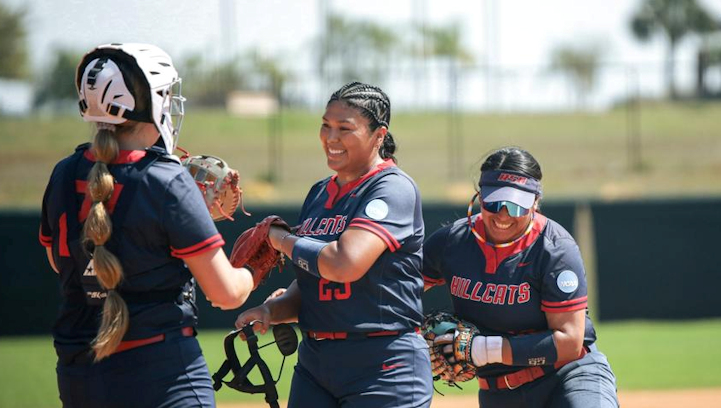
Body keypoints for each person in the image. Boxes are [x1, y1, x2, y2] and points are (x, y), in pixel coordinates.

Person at [39, 43, 255, 408]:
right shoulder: (166, 180)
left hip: (78, 377)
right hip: (161, 374)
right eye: (166, 95)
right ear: (152, 103)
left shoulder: (63, 173)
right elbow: (226, 294)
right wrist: (252, 269)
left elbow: (61, 264)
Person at [235, 82, 433, 408]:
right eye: (326, 125)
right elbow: (313, 282)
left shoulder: (392, 188)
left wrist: (280, 239)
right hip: (316, 364)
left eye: (345, 128)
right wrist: (272, 310)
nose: (331, 137)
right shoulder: (318, 194)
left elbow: (343, 264)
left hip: (383, 364)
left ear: (379, 135)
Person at [422, 146, 619, 408]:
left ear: (536, 202)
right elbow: (396, 293)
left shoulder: (554, 248)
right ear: (480, 197)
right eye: (494, 202)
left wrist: (480, 349)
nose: (504, 214)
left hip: (567, 376)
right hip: (498, 393)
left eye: (517, 206)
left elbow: (570, 341)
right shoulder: (452, 243)